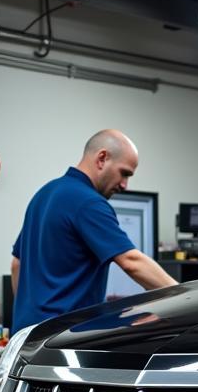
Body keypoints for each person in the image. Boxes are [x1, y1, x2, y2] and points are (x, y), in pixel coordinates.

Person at [10, 129, 177, 331]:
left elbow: (16, 265)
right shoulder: (88, 202)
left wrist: (28, 318)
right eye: (124, 173)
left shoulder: (43, 194)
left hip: (26, 336)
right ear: (102, 158)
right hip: (61, 338)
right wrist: (186, 298)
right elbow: (132, 262)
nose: (125, 185)